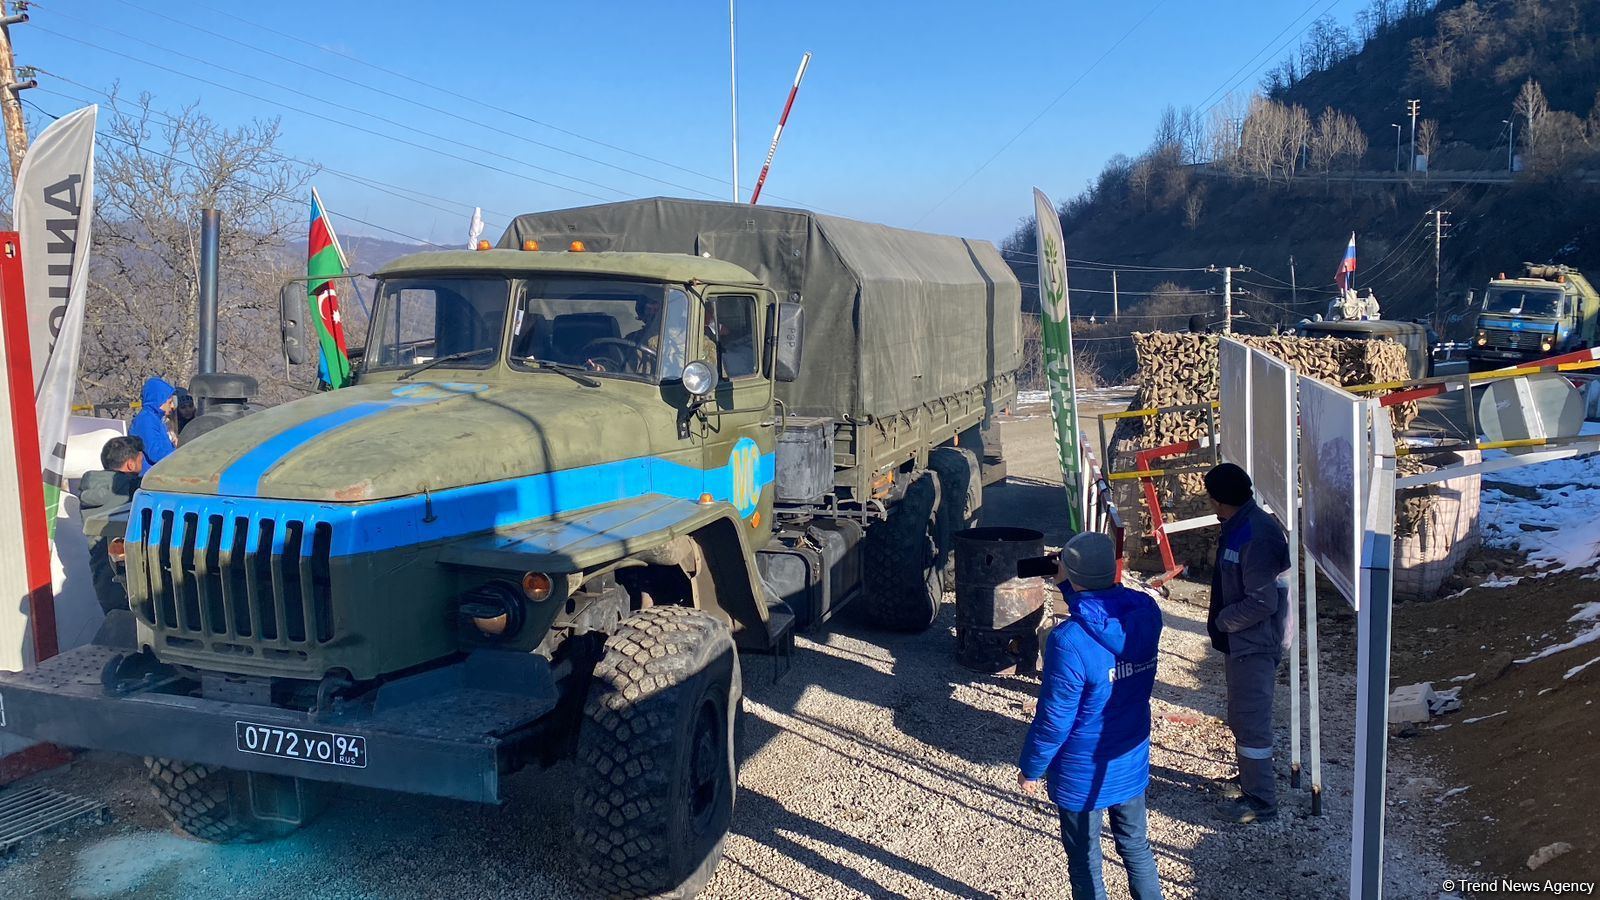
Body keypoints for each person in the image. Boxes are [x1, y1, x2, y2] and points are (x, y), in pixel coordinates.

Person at [1018, 532, 1165, 900]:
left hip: (1081, 768)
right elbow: (1102, 614)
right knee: (1136, 846)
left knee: (1085, 861)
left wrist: (1032, 767)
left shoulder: (1068, 641)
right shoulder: (1145, 614)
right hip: (1129, 755)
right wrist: (1074, 585)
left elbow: (1055, 719)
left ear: (1071, 573)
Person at [1203, 462, 1292, 824]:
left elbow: (1262, 602)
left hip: (1253, 644)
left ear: (1219, 501)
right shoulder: (1241, 525)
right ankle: (1250, 781)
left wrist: (1224, 622)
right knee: (1241, 717)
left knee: (1252, 722)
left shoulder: (1254, 535)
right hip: (1243, 643)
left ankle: (1261, 802)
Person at [79, 436, 144, 614]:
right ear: (131, 464)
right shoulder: (135, 490)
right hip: (132, 577)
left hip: (103, 576)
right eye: (141, 460)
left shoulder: (89, 489)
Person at [129, 377, 178, 472]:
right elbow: (155, 453)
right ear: (159, 400)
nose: (172, 406)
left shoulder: (155, 419)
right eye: (170, 402)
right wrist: (178, 452)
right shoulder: (146, 420)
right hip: (149, 476)